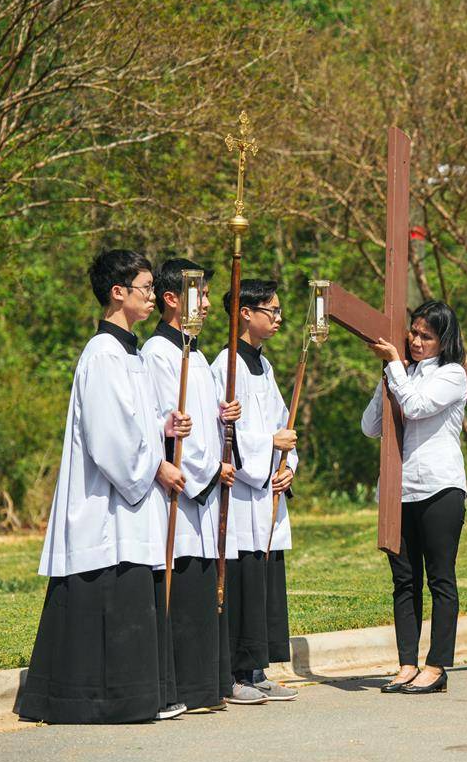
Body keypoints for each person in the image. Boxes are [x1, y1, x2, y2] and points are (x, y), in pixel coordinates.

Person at [20, 250, 191, 724]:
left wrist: (163, 427)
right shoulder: (102, 355)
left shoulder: (129, 352)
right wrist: (156, 466)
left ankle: (139, 696)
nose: (153, 297)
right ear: (118, 293)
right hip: (105, 501)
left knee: (132, 593)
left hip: (129, 498)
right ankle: (100, 700)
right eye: (146, 288)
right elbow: (109, 438)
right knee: (108, 592)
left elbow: (133, 422)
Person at [144, 259, 253, 708]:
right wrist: (209, 471)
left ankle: (208, 684)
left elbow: (201, 422)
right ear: (172, 299)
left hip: (204, 493)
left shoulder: (197, 354)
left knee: (205, 591)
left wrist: (222, 417)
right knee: (185, 588)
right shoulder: (158, 353)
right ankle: (185, 687)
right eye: (201, 294)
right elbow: (165, 421)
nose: (208, 304)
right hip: (183, 491)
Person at [361, 300, 467, 694]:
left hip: (440, 488)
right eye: (414, 332)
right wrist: (389, 376)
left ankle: (436, 666)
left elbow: (418, 406)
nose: (417, 341)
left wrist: (394, 366)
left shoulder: (452, 374)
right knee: (404, 581)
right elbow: (370, 426)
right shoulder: (402, 372)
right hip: (400, 490)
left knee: (440, 579)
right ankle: (407, 663)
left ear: (444, 341)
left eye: (427, 336)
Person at [212, 279, 300, 704]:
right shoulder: (225, 366)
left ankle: (257, 669)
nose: (278, 318)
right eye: (272, 310)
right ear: (245, 313)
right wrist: (269, 447)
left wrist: (288, 467)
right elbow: (225, 434)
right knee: (241, 583)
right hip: (242, 498)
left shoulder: (264, 367)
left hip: (267, 495)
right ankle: (234, 674)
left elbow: (285, 425)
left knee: (264, 584)